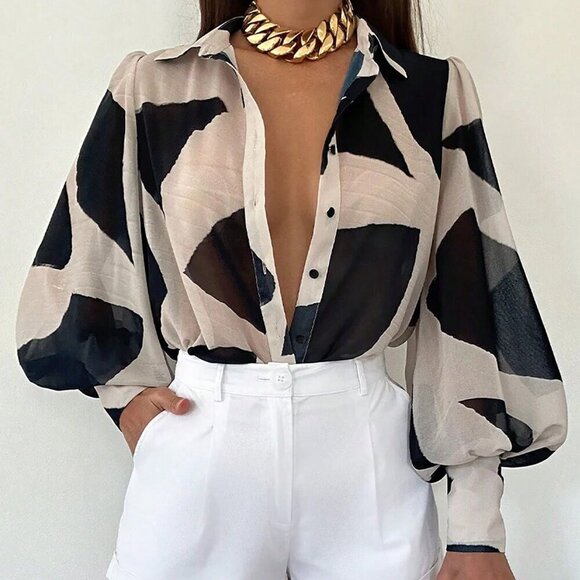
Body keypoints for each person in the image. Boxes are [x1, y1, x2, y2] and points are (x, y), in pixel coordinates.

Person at [15, 0, 568, 578]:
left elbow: (468, 299)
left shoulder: (430, 92)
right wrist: (127, 397)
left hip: (364, 462)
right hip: (203, 437)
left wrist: (477, 529)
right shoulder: (153, 84)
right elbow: (87, 256)